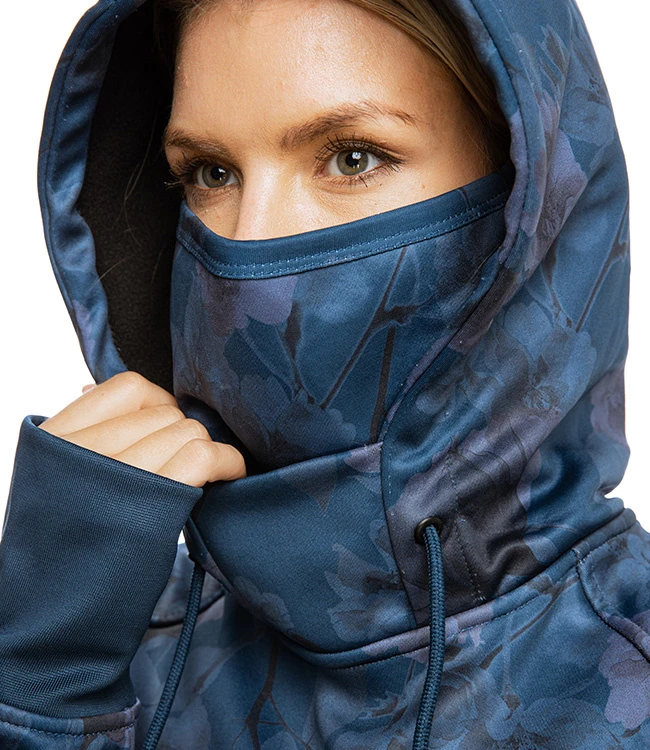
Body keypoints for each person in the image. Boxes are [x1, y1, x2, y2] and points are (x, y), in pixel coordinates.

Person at [0, 0, 647, 747]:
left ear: (531, 201)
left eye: (352, 158)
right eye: (211, 173)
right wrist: (35, 683)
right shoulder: (104, 639)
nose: (251, 244)